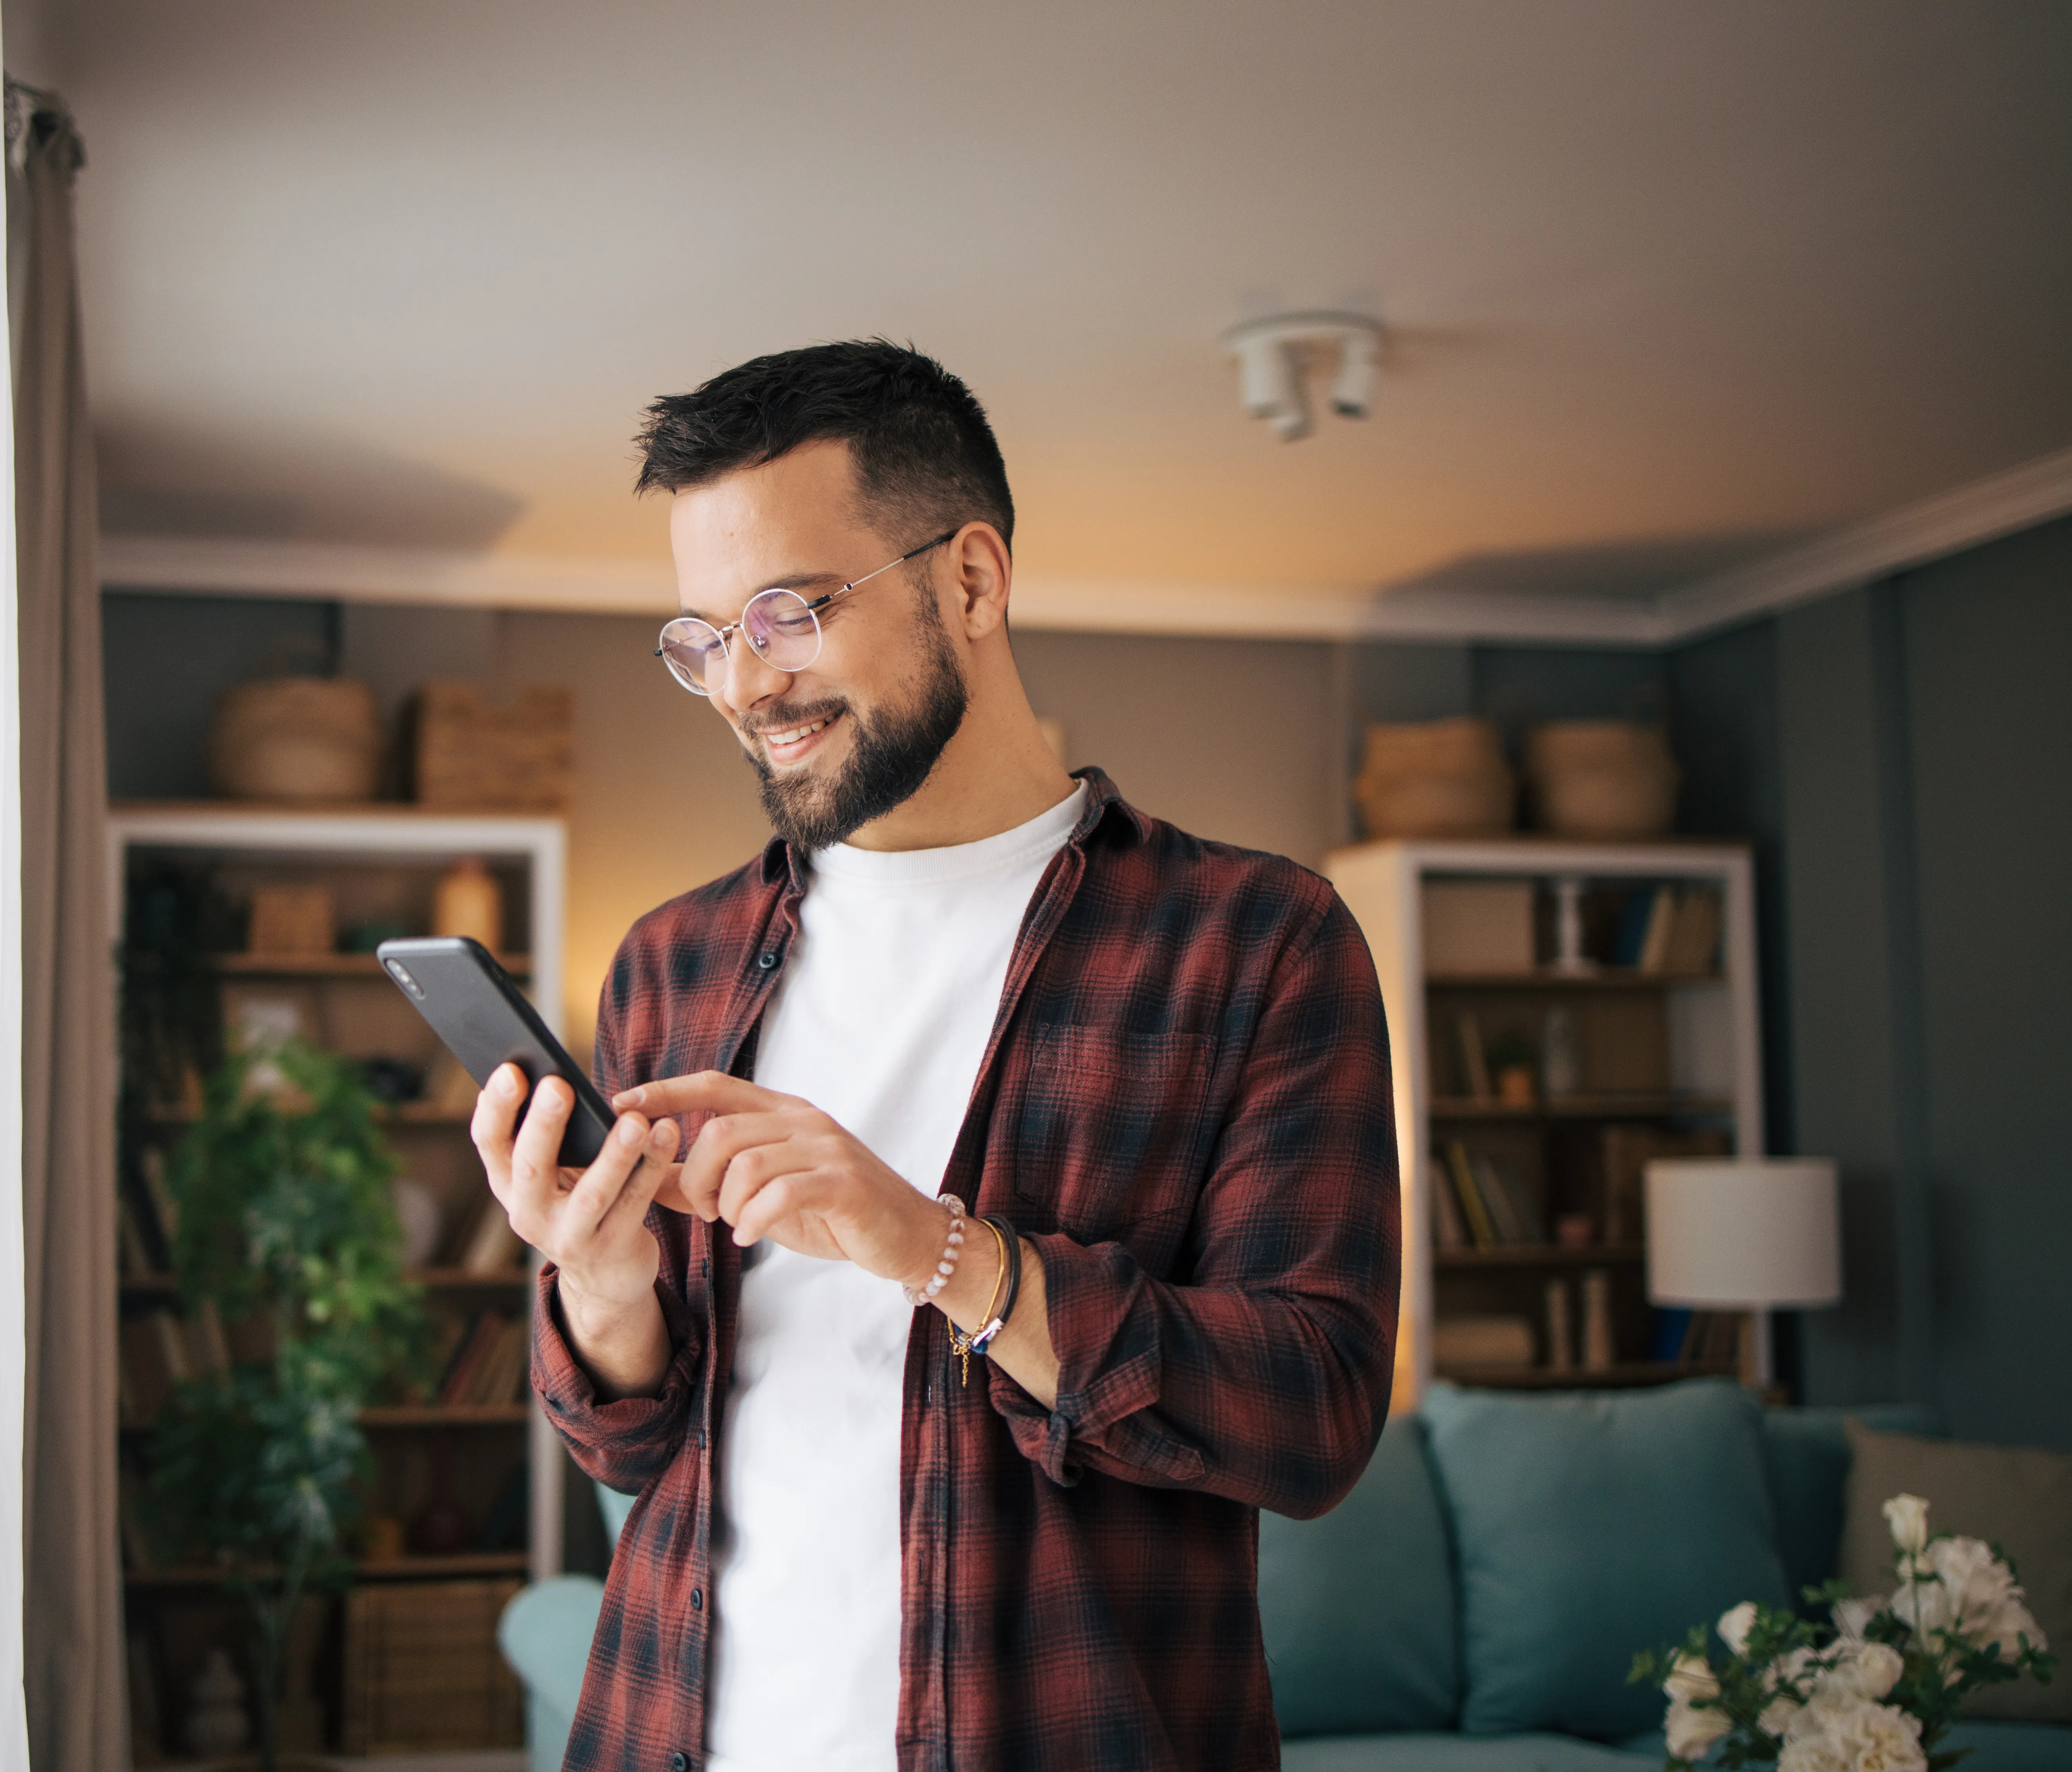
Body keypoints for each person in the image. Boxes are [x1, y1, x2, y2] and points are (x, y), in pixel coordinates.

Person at [471, 339, 1400, 1772]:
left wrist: (934, 1248)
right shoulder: (672, 961)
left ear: (971, 580)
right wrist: (597, 1288)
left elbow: (1318, 1415)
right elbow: (638, 1452)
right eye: (704, 636)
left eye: (788, 612)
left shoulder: (1257, 944)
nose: (743, 684)